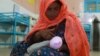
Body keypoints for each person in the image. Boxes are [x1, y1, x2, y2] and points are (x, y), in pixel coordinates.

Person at [10, 0, 90, 56]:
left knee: (41, 53)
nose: (52, 13)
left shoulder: (69, 22)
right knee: (18, 46)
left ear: (61, 8)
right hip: (41, 46)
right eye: (49, 9)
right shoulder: (42, 21)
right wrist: (39, 34)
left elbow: (78, 47)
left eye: (56, 9)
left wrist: (63, 47)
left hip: (62, 52)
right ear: (43, 9)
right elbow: (30, 41)